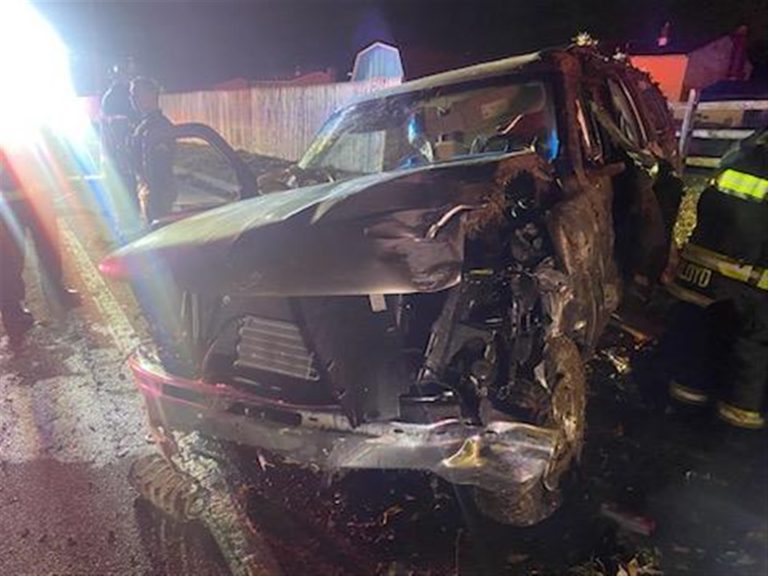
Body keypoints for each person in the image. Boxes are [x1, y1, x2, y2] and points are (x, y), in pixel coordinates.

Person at [666, 126, 768, 429]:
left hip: (704, 267)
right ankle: (736, 421)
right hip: (754, 279)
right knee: (754, 345)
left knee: (700, 334)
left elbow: (710, 200)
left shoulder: (747, 150)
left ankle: (683, 404)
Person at [0, 145, 81, 342]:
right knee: (11, 260)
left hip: (30, 197)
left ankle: (52, 294)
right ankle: (15, 313)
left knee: (44, 249)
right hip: (12, 202)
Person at [130, 77, 176, 225]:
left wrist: (154, 194)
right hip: (149, 189)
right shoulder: (145, 124)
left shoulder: (158, 126)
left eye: (136, 94)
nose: (132, 98)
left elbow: (161, 166)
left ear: (150, 95)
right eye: (132, 94)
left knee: (160, 231)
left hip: (157, 192)